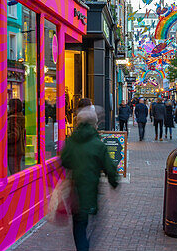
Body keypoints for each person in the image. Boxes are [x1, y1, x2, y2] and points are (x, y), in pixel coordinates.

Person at [61, 106, 119, 251]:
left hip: (75, 192)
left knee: (79, 225)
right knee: (92, 225)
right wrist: (114, 182)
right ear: (95, 124)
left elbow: (64, 161)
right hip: (91, 190)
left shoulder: (71, 141)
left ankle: (82, 246)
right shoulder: (98, 144)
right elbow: (109, 167)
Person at [7, 98, 26, 175]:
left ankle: (16, 187)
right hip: (19, 149)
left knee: (14, 173)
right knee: (17, 170)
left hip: (13, 150)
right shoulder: (20, 117)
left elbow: (14, 135)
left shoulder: (12, 118)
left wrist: (3, 137)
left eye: (9, 105)